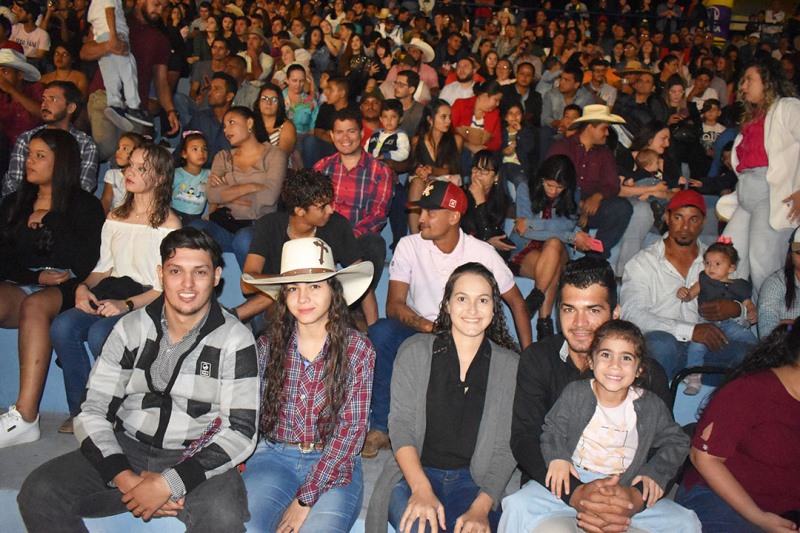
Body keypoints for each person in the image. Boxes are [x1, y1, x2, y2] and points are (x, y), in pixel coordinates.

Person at [17, 227, 259, 531]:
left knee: (222, 516)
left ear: (216, 276)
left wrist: (168, 484)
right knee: (38, 493)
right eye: (175, 271)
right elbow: (92, 410)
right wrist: (126, 479)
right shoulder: (130, 328)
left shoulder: (236, 339)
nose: (187, 283)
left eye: (200, 272)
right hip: (127, 446)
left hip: (196, 455)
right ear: (160, 274)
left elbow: (241, 430)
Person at [363, 181, 532, 458]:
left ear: (454, 217)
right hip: (420, 328)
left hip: (466, 332)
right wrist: (432, 327)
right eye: (421, 211)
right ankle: (381, 427)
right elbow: (394, 306)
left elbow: (516, 302)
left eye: (430, 212)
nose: (422, 218)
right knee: (382, 332)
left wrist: (529, 357)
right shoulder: (409, 246)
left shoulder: (481, 252)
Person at [509, 257, 673, 533]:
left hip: (625, 493)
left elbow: (665, 448)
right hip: (556, 489)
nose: (580, 323)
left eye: (593, 310)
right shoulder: (538, 360)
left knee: (686, 523)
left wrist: (633, 498)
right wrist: (576, 493)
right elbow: (525, 438)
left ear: (615, 313)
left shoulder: (646, 373)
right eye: (569, 309)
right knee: (521, 511)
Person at [501, 319, 700, 532]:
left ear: (639, 369)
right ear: (591, 361)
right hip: (573, 478)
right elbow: (552, 428)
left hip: (624, 485)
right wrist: (558, 457)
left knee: (687, 521)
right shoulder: (575, 393)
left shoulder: (651, 406)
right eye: (606, 355)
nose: (615, 365)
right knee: (516, 504)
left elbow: (677, 441)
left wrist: (655, 473)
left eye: (626, 358)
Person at [365, 262, 520, 533]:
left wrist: (481, 507)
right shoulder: (415, 352)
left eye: (483, 300)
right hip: (413, 473)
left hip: (475, 482)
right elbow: (401, 426)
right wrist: (421, 489)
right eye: (462, 298)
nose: (472, 309)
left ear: (494, 308)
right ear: (447, 304)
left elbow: (505, 447)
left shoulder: (510, 366)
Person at [240, 237, 375, 532]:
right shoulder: (267, 347)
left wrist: (306, 499)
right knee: (246, 527)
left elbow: (351, 431)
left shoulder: (358, 350)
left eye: (314, 286)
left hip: (335, 463)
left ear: (333, 291)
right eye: (292, 288)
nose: (302, 298)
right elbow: (241, 412)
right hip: (274, 456)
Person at [50, 142, 182, 428]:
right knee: (62, 326)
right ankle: (82, 413)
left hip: (148, 300)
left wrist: (126, 304)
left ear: (160, 177)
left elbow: (165, 288)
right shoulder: (115, 216)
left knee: (101, 334)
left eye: (141, 168)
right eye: (129, 165)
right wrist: (82, 287)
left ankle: (118, 412)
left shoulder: (169, 225)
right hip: (113, 290)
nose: (130, 172)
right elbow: (104, 267)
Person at [0, 129, 105, 448]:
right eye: (29, 154)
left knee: (35, 306)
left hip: (71, 287)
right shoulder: (14, 203)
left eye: (40, 156)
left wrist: (53, 219)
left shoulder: (85, 205)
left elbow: (88, 263)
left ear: (61, 162)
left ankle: (25, 416)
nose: (29, 161)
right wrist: (34, 277)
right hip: (25, 283)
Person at [675, 318, 800, 532]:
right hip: (722, 497)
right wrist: (759, 518)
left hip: (784, 509)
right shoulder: (751, 390)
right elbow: (704, 458)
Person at [621, 189, 754, 381]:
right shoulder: (643, 263)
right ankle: (656, 397)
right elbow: (632, 314)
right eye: (678, 217)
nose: (685, 226)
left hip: (707, 348)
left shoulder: (719, 261)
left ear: (703, 221)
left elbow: (746, 316)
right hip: (661, 348)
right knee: (660, 343)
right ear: (667, 218)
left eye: (693, 219)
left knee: (749, 354)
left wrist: (736, 310)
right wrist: (690, 331)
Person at [239, 168, 377, 325]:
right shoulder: (269, 226)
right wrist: (292, 282)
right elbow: (246, 285)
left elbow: (360, 276)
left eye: (330, 203)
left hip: (321, 308)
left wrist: (373, 328)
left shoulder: (337, 225)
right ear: (299, 210)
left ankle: (234, 315)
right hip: (272, 313)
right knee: (289, 292)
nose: (331, 210)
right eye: (323, 206)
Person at [721, 59, 800, 295]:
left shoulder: (788, 107)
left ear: (767, 81)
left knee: (763, 266)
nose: (743, 86)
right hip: (747, 193)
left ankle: (771, 316)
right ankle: (741, 312)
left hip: (771, 194)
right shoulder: (753, 116)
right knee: (727, 257)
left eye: (749, 80)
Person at [80, 0, 180, 161]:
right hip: (105, 96)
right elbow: (85, 52)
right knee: (105, 149)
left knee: (130, 157)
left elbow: (161, 81)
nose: (160, 10)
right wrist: (108, 45)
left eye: (163, 7)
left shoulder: (161, 40)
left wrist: (170, 111)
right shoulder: (114, 20)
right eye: (156, 4)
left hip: (135, 107)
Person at [313, 107, 393, 304]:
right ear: (332, 135)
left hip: (359, 236)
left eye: (351, 131)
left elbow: (378, 215)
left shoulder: (380, 171)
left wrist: (348, 237)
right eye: (339, 132)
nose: (345, 138)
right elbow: (312, 208)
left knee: (375, 243)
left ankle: (357, 308)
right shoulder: (322, 167)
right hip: (325, 234)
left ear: (362, 133)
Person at [192, 106, 287, 269]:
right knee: (193, 230)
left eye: (231, 122)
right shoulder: (223, 156)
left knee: (243, 239)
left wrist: (227, 190)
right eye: (224, 126)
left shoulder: (274, 155)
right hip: (225, 224)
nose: (226, 129)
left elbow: (270, 197)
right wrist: (252, 186)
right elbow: (212, 194)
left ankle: (257, 285)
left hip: (257, 225)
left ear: (249, 123)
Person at [512, 155, 591, 340]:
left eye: (559, 187)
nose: (553, 191)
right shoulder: (526, 188)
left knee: (554, 245)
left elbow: (567, 225)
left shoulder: (573, 192)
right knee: (552, 262)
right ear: (541, 178)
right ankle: (544, 324)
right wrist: (570, 237)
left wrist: (533, 224)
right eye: (549, 185)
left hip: (559, 251)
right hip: (527, 249)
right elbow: (524, 231)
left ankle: (536, 296)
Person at [549, 104, 633, 262]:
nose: (607, 133)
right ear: (590, 127)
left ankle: (595, 258)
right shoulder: (563, 147)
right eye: (604, 128)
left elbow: (612, 185)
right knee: (557, 199)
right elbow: (553, 180)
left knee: (622, 207)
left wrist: (597, 197)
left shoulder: (605, 153)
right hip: (563, 201)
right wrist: (578, 203)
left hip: (592, 205)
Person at [677, 240, 758, 394]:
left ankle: (759, 370)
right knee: (696, 347)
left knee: (752, 342)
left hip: (730, 324)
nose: (711, 267)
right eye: (707, 263)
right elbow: (689, 295)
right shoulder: (704, 281)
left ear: (731, 268)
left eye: (717, 264)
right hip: (706, 323)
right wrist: (684, 293)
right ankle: (693, 377)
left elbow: (748, 303)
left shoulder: (739, 286)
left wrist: (752, 312)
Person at [3, 81, 99, 198]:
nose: (44, 104)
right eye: (43, 99)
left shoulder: (85, 144)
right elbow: (13, 185)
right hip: (26, 204)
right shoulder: (27, 138)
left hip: (67, 206)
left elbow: (84, 187)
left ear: (70, 108)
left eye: (52, 99)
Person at [89, 0, 150, 130]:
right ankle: (133, 106)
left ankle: (114, 104)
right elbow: (109, 10)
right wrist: (113, 36)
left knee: (110, 72)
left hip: (100, 36)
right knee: (128, 67)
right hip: (114, 33)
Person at [407, 98, 463, 234]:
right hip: (424, 181)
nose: (448, 121)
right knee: (416, 182)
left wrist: (432, 170)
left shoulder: (456, 140)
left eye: (449, 117)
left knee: (439, 185)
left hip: (446, 180)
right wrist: (420, 170)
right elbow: (412, 166)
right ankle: (415, 237)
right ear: (430, 119)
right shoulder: (416, 141)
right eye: (443, 117)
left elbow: (450, 168)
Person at [461, 149, 513, 258]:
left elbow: (490, 231)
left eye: (485, 170)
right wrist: (480, 200)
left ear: (496, 176)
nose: (478, 174)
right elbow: (464, 231)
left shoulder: (502, 200)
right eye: (475, 168)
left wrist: (480, 200)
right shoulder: (460, 194)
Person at [451, 80, 504, 171]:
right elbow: (450, 130)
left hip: (481, 155)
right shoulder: (461, 105)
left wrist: (481, 149)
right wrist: (469, 145)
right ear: (485, 96)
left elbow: (497, 142)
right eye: (496, 100)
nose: (498, 104)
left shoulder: (495, 114)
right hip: (459, 151)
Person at [759, 227, 800, 336]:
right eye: (799, 252)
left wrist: (790, 325)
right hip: (786, 346)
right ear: (791, 254)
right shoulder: (775, 283)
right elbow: (767, 333)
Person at [100, 132, 146, 213]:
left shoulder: (143, 177)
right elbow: (106, 200)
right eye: (118, 148)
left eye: (125, 148)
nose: (118, 151)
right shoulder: (113, 174)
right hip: (114, 216)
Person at [171, 131, 210, 226]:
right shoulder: (176, 174)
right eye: (195, 149)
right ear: (184, 154)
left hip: (196, 218)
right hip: (174, 215)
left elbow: (214, 197)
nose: (201, 153)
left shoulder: (210, 174)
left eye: (204, 149)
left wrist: (210, 213)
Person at [252, 82, 297, 156]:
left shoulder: (287, 126)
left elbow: (282, 156)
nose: (268, 102)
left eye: (274, 100)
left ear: (279, 104)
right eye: (264, 98)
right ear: (258, 102)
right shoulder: (250, 123)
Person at [366, 98, 410, 163]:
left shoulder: (401, 136)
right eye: (385, 117)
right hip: (371, 165)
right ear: (381, 119)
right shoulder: (376, 134)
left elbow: (404, 153)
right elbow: (365, 149)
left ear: (400, 119)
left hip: (388, 166)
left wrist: (386, 156)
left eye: (393, 116)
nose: (389, 120)